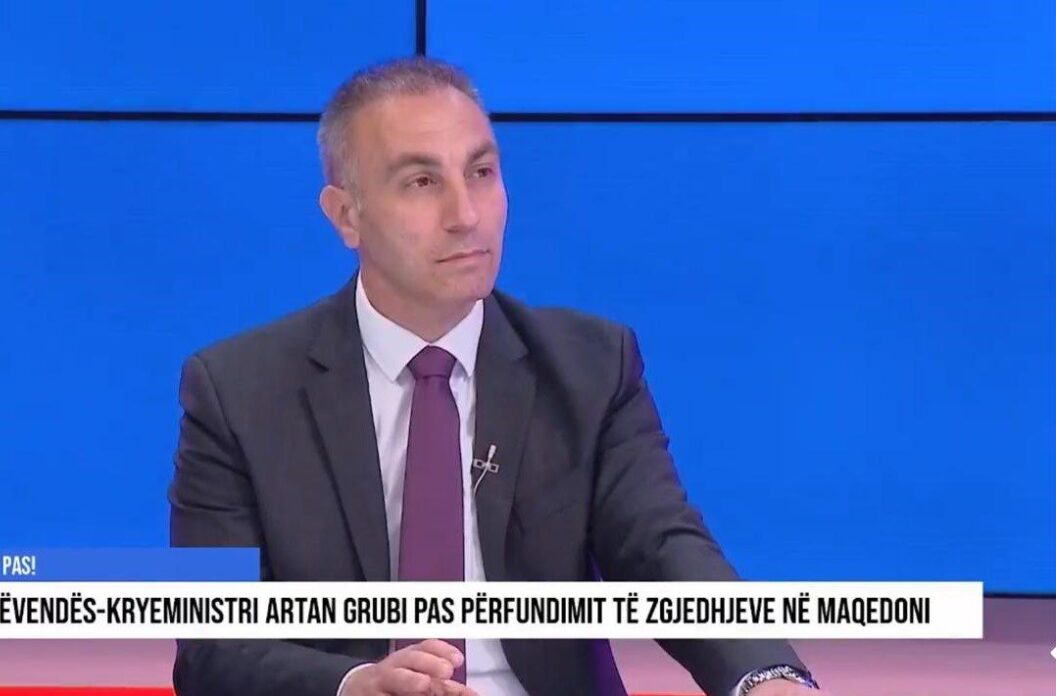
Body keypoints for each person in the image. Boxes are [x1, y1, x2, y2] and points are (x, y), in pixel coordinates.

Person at [169, 57, 826, 696]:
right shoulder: (237, 393)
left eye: (481, 172)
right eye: (421, 182)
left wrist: (764, 676)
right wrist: (351, 683)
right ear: (346, 215)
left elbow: (662, 548)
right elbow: (210, 648)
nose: (466, 214)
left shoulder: (591, 368)